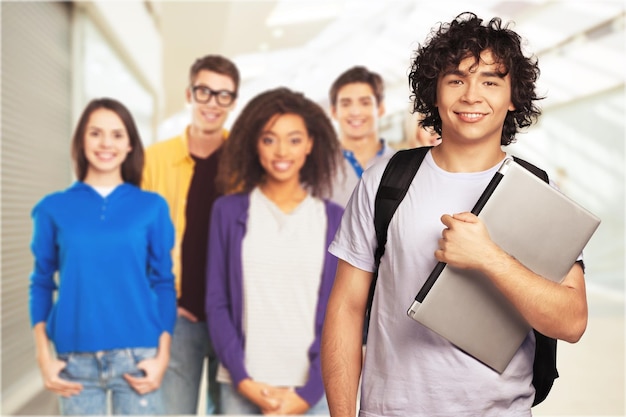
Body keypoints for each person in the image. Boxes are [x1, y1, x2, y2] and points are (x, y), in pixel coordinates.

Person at [321, 12, 588, 417]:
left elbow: (571, 322)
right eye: (456, 79)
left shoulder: (537, 192)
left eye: (491, 81)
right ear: (436, 92)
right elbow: (345, 309)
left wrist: (488, 257)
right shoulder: (385, 181)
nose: (471, 96)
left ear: (513, 96)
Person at [29, 98, 176, 415]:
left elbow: (163, 282)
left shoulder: (152, 207)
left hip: (138, 358)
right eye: (96, 133)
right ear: (82, 141)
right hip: (74, 363)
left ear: (129, 146)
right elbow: (41, 282)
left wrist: (162, 354)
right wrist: (44, 355)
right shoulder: (52, 208)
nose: (106, 143)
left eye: (117, 135)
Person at [205, 87, 343, 415]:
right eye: (269, 139)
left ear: (310, 144)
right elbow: (217, 302)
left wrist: (308, 393)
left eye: (294, 139)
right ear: (255, 144)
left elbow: (340, 314)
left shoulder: (333, 218)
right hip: (244, 387)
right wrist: (243, 379)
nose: (282, 151)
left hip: (310, 391)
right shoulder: (228, 212)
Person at [142, 54, 239, 415]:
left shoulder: (244, 161)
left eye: (223, 95)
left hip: (231, 315)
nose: (212, 103)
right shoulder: (153, 160)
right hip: (174, 315)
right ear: (189, 94)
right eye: (204, 91)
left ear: (233, 102)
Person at [328, 66, 396, 207]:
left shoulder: (403, 165)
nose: (355, 111)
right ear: (334, 112)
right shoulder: (318, 169)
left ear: (381, 108)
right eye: (346, 104)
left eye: (365, 103)